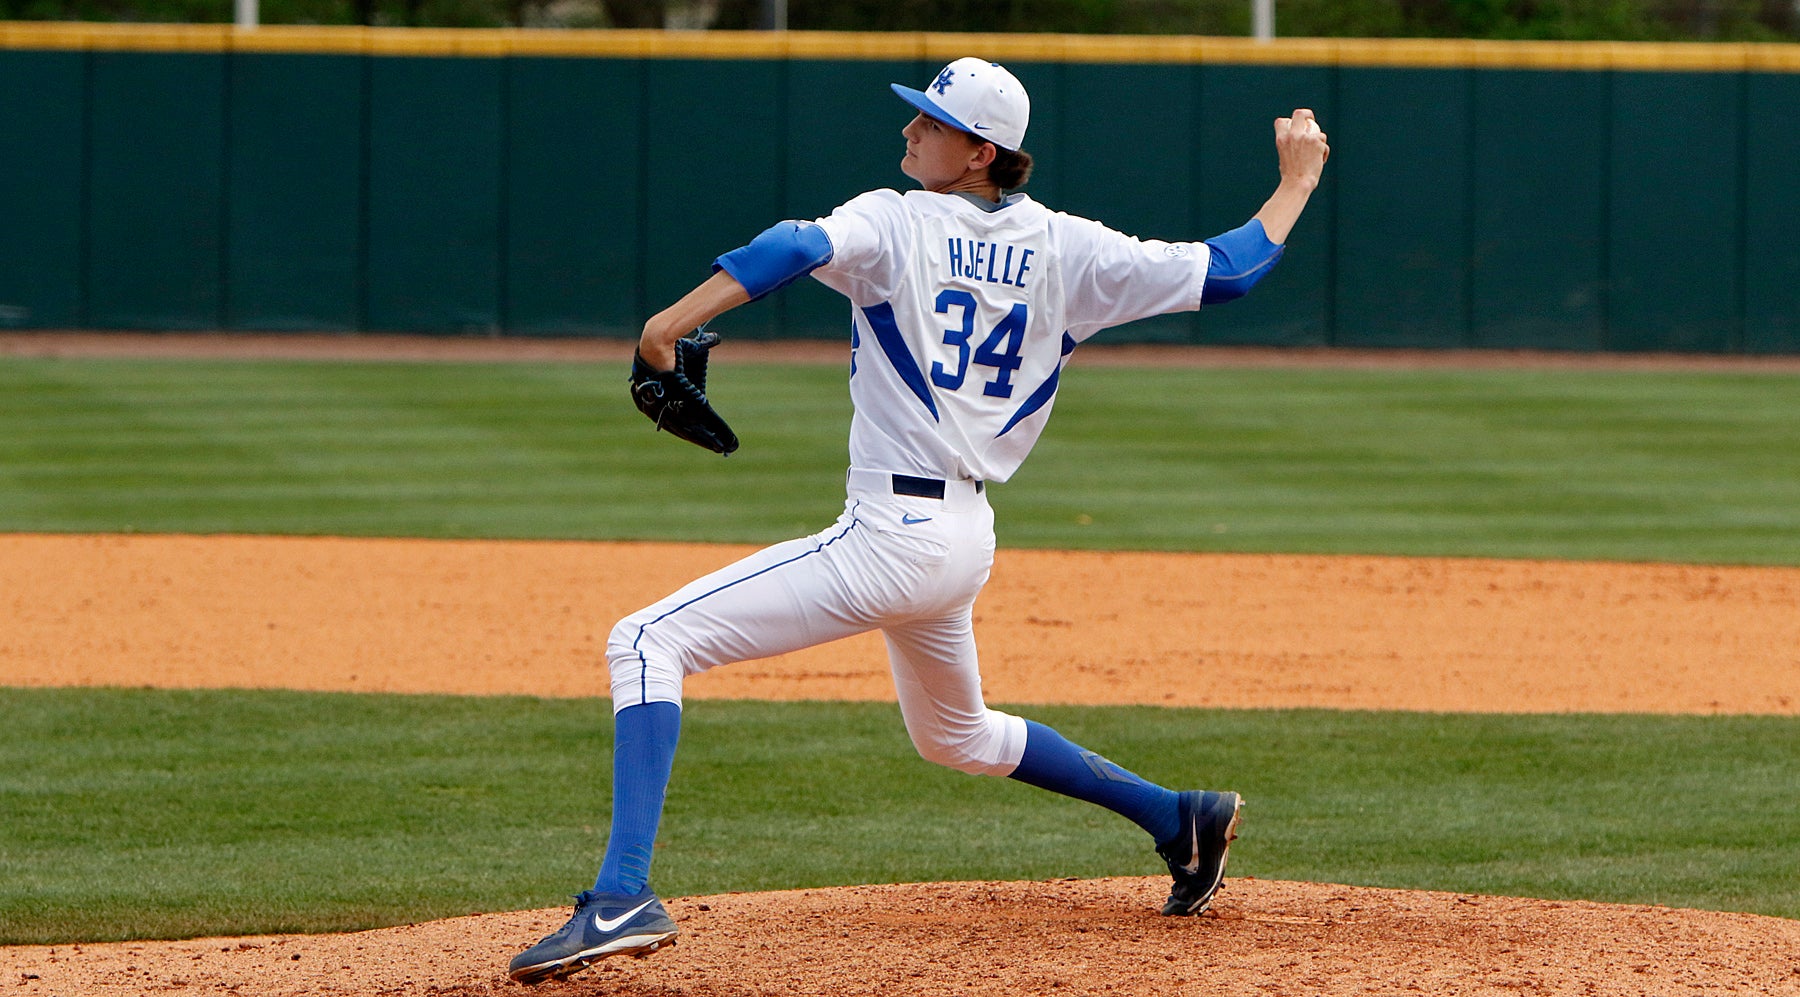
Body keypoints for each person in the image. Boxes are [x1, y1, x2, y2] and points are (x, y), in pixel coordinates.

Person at [508, 57, 1331, 985]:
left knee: (645, 640)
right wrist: (1296, 179)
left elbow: (792, 242)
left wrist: (666, 325)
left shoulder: (894, 220)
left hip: (891, 535)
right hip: (963, 539)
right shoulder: (1070, 247)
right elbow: (1231, 271)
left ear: (981, 152)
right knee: (956, 735)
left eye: (931, 123)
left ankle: (620, 893)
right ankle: (1177, 816)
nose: (909, 132)